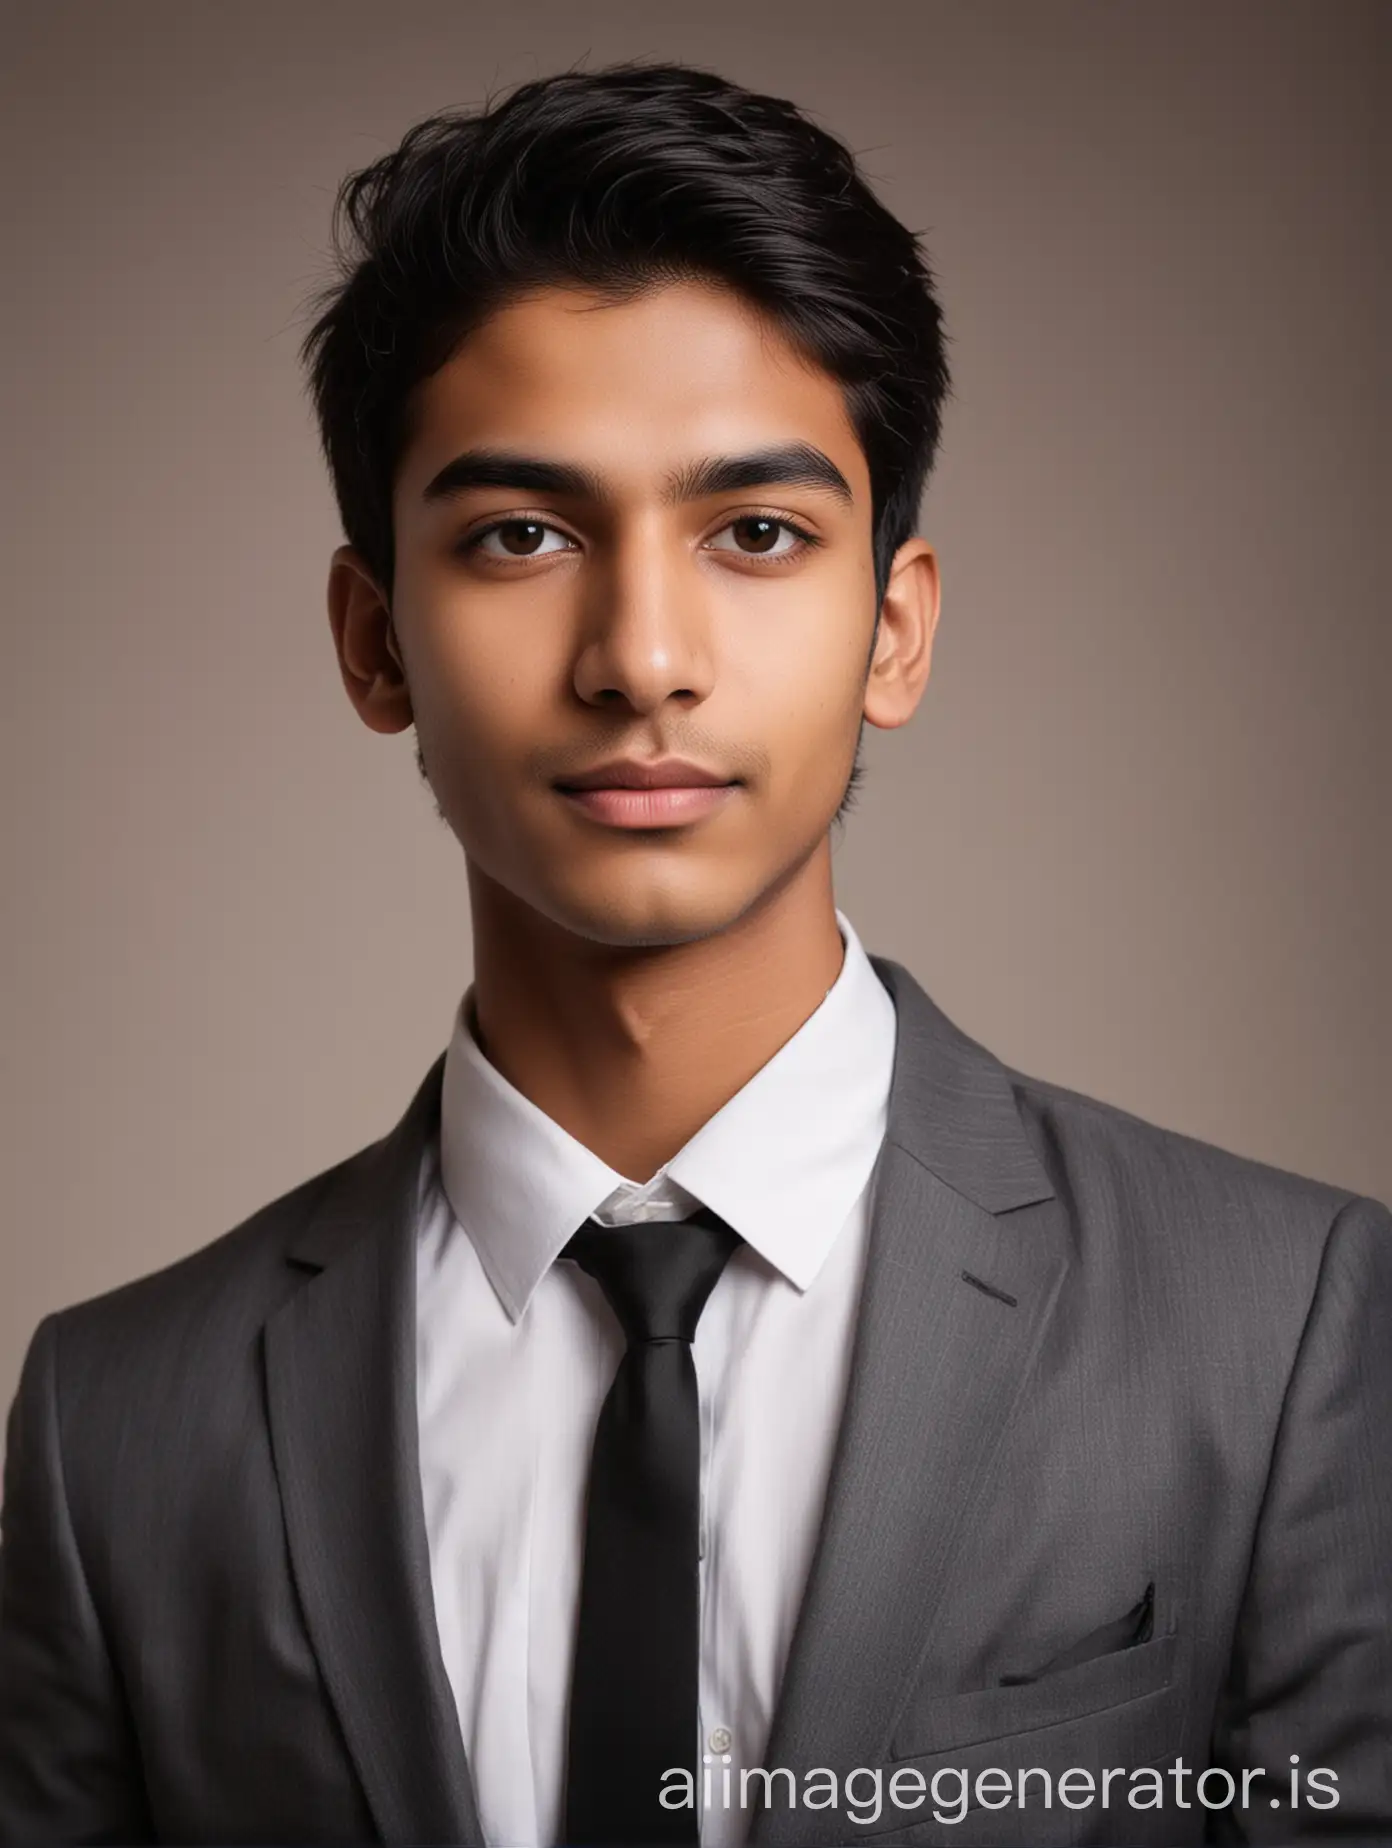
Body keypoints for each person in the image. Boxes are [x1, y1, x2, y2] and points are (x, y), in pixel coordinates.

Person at [0, 60, 1387, 1848]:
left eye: (756, 534)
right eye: (522, 535)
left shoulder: (1276, 1332)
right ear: (375, 643)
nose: (642, 656)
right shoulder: (119, 1429)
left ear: (893, 628)